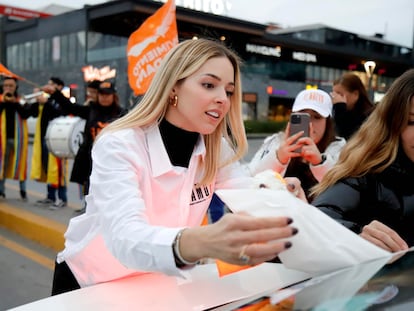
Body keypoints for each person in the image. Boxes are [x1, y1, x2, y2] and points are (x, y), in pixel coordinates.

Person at [51, 38, 300, 295]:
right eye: (208, 85)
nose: (222, 99)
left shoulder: (216, 148)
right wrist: (200, 242)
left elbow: (247, 191)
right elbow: (124, 236)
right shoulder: (120, 144)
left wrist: (281, 194)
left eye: (228, 90)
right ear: (173, 87)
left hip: (157, 282)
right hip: (89, 285)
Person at [311, 68, 414, 253]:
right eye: (411, 122)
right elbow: (317, 220)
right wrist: (355, 237)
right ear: (393, 124)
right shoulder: (365, 171)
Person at [42, 80, 126, 214]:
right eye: (102, 94)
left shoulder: (122, 114)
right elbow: (70, 107)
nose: (104, 97)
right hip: (91, 160)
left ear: (114, 96)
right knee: (90, 189)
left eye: (108, 94)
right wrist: (55, 94)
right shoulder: (90, 110)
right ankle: (89, 212)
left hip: (113, 161)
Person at [248, 89, 346, 200]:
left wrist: (319, 162)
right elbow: (251, 181)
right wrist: (278, 159)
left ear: (327, 122)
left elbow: (343, 193)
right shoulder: (277, 142)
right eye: (303, 116)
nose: (310, 123)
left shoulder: (338, 148)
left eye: (317, 117)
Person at [33, 77, 69, 209]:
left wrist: (46, 102)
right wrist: (38, 101)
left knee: (58, 170)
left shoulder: (61, 101)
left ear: (59, 87)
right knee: (49, 169)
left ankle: (62, 198)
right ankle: (51, 196)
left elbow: (60, 114)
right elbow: (32, 112)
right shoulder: (49, 100)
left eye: (52, 84)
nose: (48, 86)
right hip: (45, 138)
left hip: (57, 140)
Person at [0, 76, 35, 200]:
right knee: (2, 165)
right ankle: (1, 190)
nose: (8, 88)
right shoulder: (1, 100)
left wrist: (15, 103)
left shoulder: (20, 100)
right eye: (6, 86)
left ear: (16, 87)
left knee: (20, 164)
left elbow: (27, 114)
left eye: (11, 86)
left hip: (18, 140)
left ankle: (23, 190)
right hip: (2, 141)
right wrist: (4, 102)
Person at [330, 72, 375, 139]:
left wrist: (340, 108)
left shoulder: (369, 117)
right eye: (334, 94)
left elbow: (346, 137)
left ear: (355, 94)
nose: (336, 98)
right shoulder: (339, 112)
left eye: (340, 94)